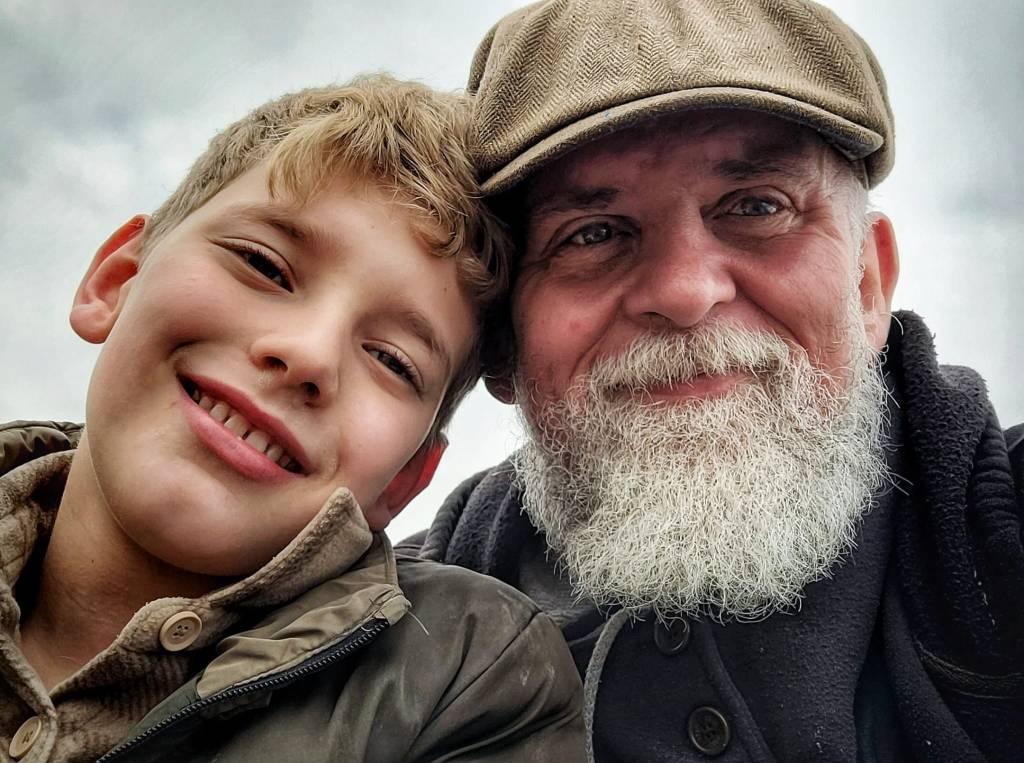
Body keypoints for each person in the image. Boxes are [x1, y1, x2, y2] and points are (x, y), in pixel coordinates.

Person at [404, 1, 1024, 760]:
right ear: (502, 343)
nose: (683, 291)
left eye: (758, 207)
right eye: (592, 234)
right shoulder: (379, 641)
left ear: (868, 283)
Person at [0, 74, 584, 762]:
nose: (308, 354)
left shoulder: (472, 676)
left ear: (405, 481)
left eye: (392, 360)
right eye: (264, 266)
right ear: (116, 280)